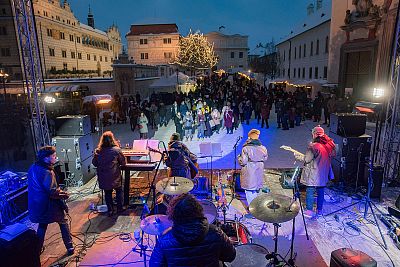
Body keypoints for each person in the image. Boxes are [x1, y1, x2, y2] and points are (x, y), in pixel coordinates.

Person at [149, 193, 236, 267]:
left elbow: (155, 265)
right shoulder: (215, 232)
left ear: (174, 214)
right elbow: (230, 256)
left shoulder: (164, 240)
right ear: (199, 210)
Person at [28, 146, 74, 255]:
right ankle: (70, 247)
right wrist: (65, 194)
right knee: (63, 221)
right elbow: (52, 191)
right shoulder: (47, 172)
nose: (55, 157)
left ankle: (37, 250)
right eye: (53, 156)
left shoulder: (33, 167)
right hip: (48, 205)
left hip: (37, 204)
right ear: (46, 158)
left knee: (42, 225)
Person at [294, 125, 336, 218]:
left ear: (314, 134)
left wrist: (298, 156)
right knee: (320, 191)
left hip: (313, 174)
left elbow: (307, 159)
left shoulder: (314, 146)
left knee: (310, 191)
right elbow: (332, 155)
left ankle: (309, 211)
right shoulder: (329, 145)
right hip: (323, 173)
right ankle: (319, 210)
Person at [92, 131, 126, 216]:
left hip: (103, 177)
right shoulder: (116, 150)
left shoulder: (98, 151)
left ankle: (110, 210)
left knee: (107, 193)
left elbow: (94, 163)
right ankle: (120, 208)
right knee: (118, 190)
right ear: (112, 139)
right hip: (114, 176)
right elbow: (123, 163)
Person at [238, 129, 268, 207]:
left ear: (249, 137)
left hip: (250, 170)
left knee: (249, 191)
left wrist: (239, 158)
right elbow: (265, 158)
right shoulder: (263, 147)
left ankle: (253, 211)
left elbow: (244, 161)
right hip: (259, 169)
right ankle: (257, 208)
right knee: (256, 190)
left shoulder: (246, 148)